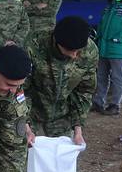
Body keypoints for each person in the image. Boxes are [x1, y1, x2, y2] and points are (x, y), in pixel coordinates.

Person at [24, 17, 97, 145]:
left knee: (59, 157)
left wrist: (78, 130)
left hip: (62, 114)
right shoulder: (33, 46)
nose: (74, 56)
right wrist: (26, 127)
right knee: (24, 154)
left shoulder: (90, 52)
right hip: (31, 109)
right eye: (70, 51)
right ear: (57, 42)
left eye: (78, 51)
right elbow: (20, 89)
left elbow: (84, 92)